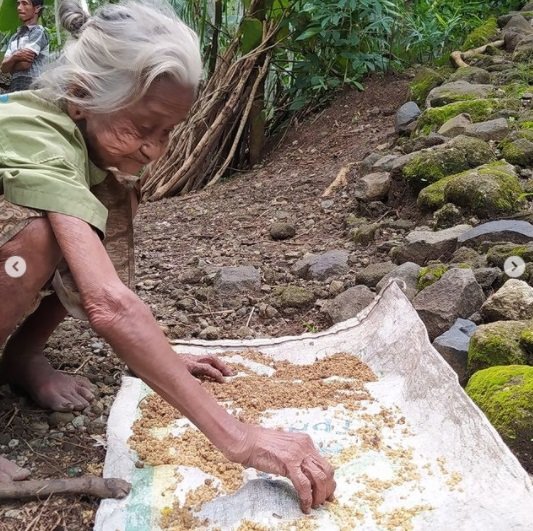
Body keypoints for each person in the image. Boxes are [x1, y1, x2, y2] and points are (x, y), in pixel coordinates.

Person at [0, 0, 335, 513]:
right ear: (81, 96)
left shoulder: (87, 143)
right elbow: (107, 302)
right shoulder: (32, 131)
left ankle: (21, 356)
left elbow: (104, 278)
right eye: (142, 127)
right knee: (39, 240)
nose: (155, 150)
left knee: (102, 205)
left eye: (168, 131)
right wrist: (238, 437)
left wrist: (162, 360)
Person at [0, 0, 49, 92]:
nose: (19, 7)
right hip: (14, 88)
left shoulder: (38, 32)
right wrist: (16, 56)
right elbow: (4, 68)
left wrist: (10, 62)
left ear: (37, 9)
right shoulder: (14, 37)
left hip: (33, 87)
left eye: (24, 3)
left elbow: (24, 64)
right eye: (18, 4)